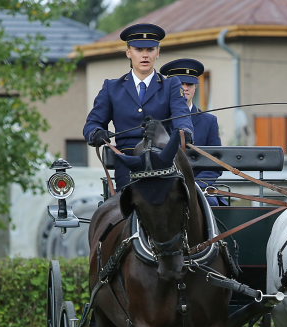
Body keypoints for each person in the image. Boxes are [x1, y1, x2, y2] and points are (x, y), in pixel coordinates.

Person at [83, 23, 194, 190]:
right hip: (127, 160)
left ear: (158, 52)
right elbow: (91, 124)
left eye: (150, 50)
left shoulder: (171, 85)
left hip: (163, 159)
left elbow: (182, 117)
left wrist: (184, 132)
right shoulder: (111, 88)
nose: (145, 55)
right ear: (128, 53)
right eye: (138, 50)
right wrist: (96, 133)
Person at [159, 58, 227, 206]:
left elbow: (215, 160)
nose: (184, 88)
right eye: (179, 84)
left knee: (210, 203)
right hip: (163, 184)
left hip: (199, 188)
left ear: (195, 87)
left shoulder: (209, 121)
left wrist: (198, 184)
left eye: (189, 84)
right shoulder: (159, 121)